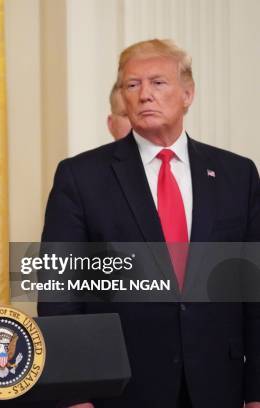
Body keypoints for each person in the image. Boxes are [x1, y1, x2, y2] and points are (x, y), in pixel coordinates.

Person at [40, 39, 260, 408]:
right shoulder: (80, 176)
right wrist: (73, 394)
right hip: (120, 387)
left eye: (158, 83)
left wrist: (256, 393)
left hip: (218, 384)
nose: (144, 95)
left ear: (188, 94)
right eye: (132, 85)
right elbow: (58, 295)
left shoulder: (237, 174)